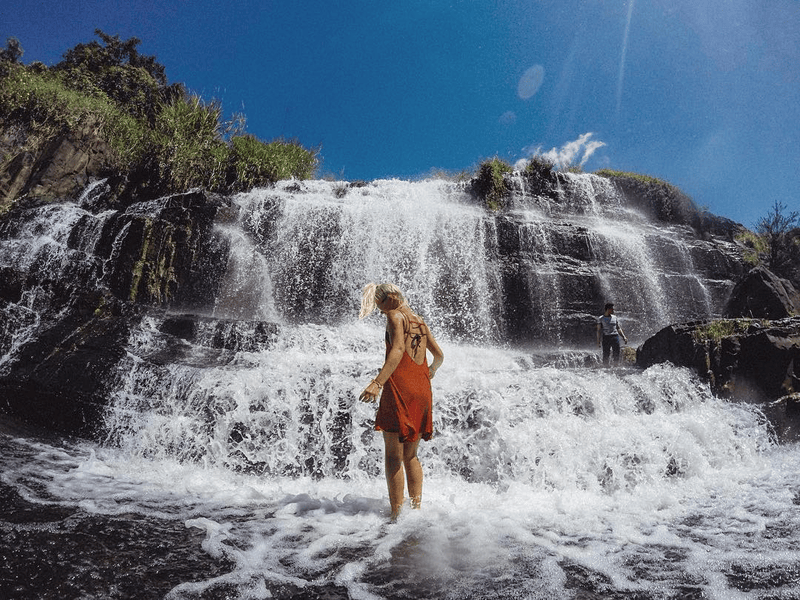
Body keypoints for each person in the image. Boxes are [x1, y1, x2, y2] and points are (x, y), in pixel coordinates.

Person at [358, 283, 444, 520]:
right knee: (411, 455)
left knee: (393, 454)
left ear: (392, 298)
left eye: (380, 305)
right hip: (421, 388)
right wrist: (431, 372)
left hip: (400, 387)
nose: (380, 311)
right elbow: (439, 356)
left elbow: (396, 351)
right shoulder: (419, 320)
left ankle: (397, 515)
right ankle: (415, 512)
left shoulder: (395, 316)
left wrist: (377, 383)